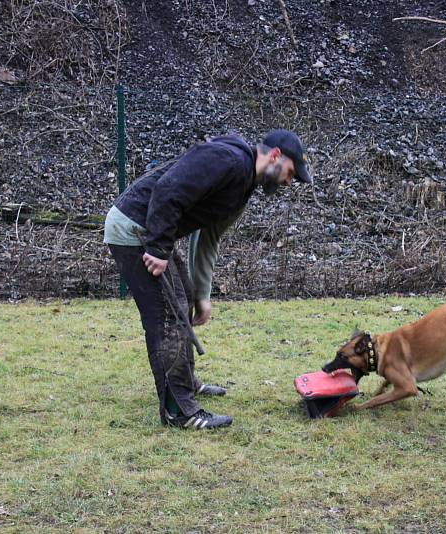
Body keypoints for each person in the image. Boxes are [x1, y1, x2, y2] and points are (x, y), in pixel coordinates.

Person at [104, 130, 312, 429]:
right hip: (134, 228)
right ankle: (180, 411)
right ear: (275, 155)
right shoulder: (227, 159)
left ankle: (185, 384)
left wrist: (202, 295)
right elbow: (168, 189)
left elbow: (208, 238)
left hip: (149, 230)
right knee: (168, 317)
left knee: (183, 301)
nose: (288, 182)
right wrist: (158, 248)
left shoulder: (242, 185)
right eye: (291, 173)